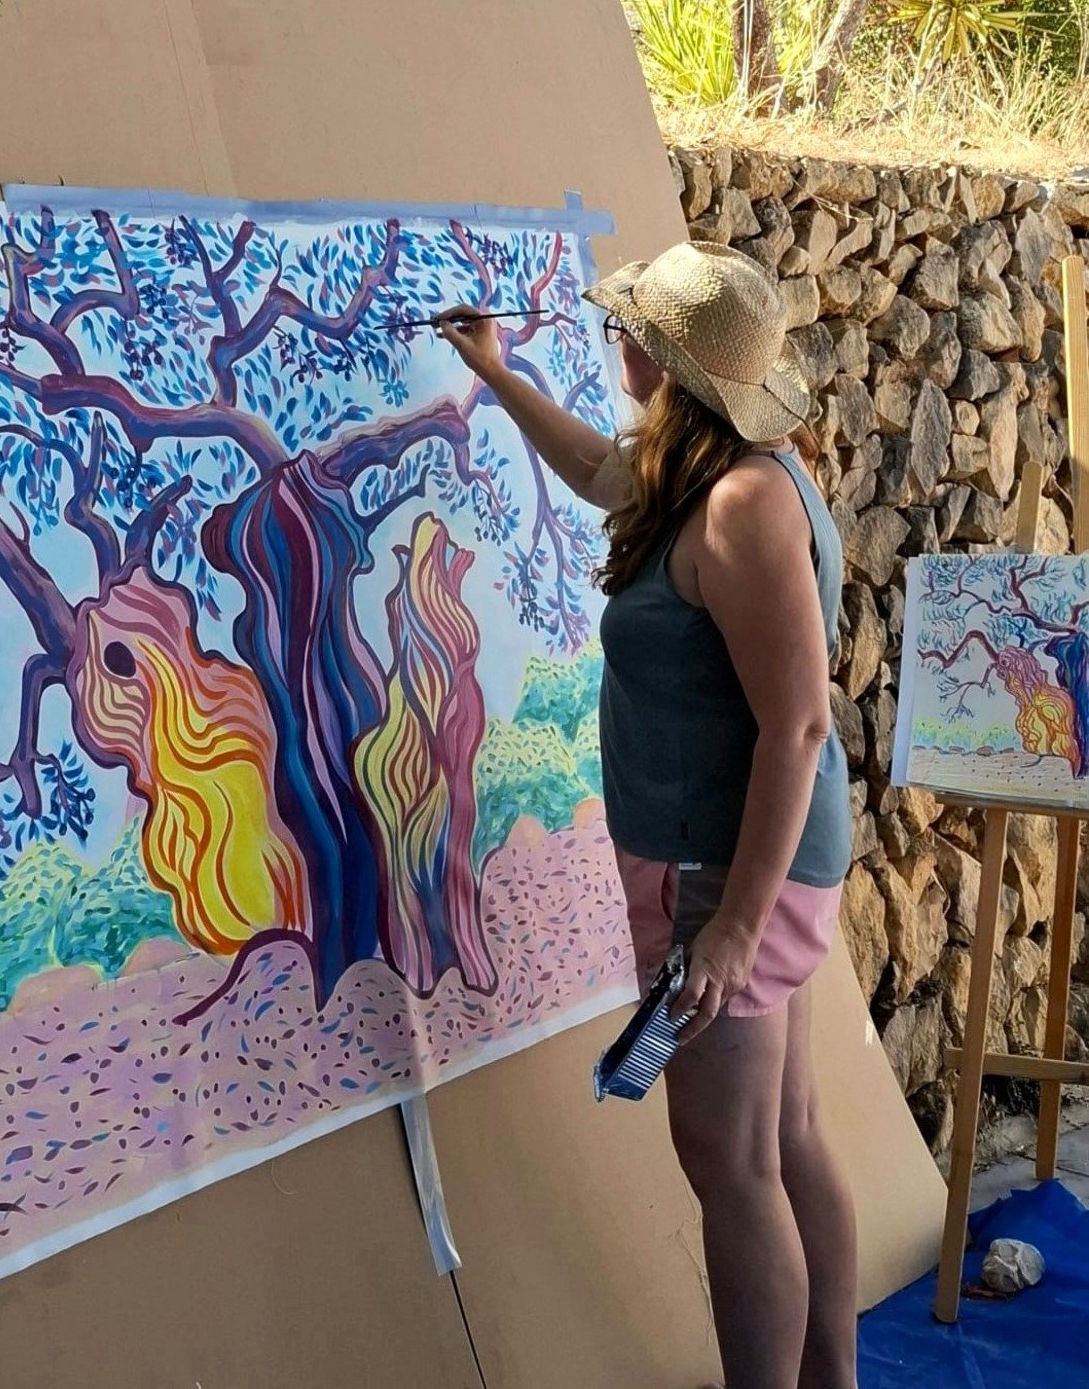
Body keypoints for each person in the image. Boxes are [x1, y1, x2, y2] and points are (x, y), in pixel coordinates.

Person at [437, 241, 857, 1389]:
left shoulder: (737, 506)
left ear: (659, 361)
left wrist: (728, 927)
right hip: (733, 861)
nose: (612, 345)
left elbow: (799, 727)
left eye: (628, 334)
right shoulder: (702, 467)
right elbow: (593, 470)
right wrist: (498, 375)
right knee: (788, 1135)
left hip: (731, 872)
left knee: (728, 1163)